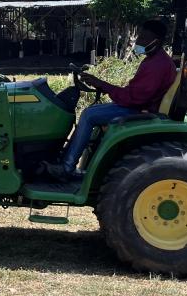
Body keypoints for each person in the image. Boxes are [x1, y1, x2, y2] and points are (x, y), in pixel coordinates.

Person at [52, 19, 176, 180]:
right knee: (90, 112)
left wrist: (102, 84)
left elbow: (133, 98)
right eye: (139, 36)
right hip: (139, 104)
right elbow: (134, 93)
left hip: (139, 109)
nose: (138, 41)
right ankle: (66, 158)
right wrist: (101, 85)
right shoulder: (155, 60)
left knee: (89, 115)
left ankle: (66, 167)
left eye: (144, 38)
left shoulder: (157, 65)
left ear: (156, 41)